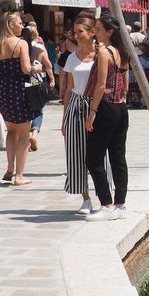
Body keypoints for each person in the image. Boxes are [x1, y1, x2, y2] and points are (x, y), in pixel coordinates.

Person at [62, 13, 112, 213]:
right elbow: (68, 88)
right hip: (76, 104)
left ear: (92, 33)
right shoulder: (72, 58)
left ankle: (105, 196)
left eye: (80, 31)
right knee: (76, 151)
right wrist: (64, 117)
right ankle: (85, 197)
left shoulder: (103, 55)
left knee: (102, 152)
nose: (77, 35)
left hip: (98, 105)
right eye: (75, 32)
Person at [85, 14, 130, 221]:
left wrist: (92, 113)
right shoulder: (122, 52)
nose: (95, 32)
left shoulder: (104, 53)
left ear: (110, 31)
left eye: (99, 29)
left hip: (106, 108)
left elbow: (100, 85)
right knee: (118, 157)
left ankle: (106, 204)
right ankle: (120, 204)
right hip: (121, 107)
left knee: (93, 159)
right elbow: (126, 84)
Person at [0, 12, 36, 185]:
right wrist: (36, 68)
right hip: (19, 89)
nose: (22, 26)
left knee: (11, 131)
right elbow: (25, 69)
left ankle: (9, 168)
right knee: (23, 134)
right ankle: (19, 176)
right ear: (10, 25)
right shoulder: (21, 43)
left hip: (2, 91)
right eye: (20, 23)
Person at [22, 26, 55, 152]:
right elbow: (48, 65)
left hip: (20, 81)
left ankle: (25, 138)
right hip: (36, 81)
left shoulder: (19, 47)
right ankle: (34, 134)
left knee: (25, 108)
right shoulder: (39, 48)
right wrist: (52, 79)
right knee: (38, 109)